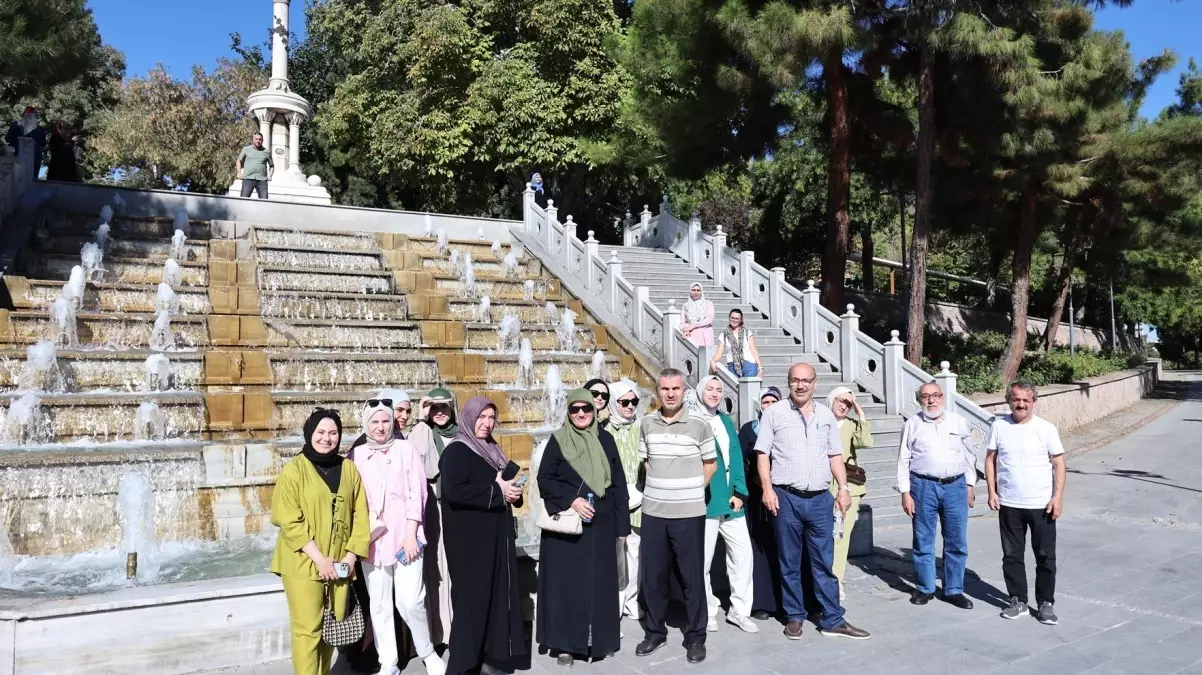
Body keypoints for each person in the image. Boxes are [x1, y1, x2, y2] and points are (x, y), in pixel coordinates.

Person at [754, 363, 870, 641]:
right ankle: (795, 616)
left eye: (806, 380)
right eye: (795, 380)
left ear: (815, 383)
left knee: (823, 562)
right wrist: (767, 490)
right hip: (786, 498)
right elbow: (762, 455)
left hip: (820, 498)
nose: (801, 385)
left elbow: (834, 456)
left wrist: (843, 489)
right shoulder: (774, 413)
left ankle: (832, 618)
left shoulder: (826, 416)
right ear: (788, 382)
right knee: (789, 560)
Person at [350, 400, 448, 675]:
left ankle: (427, 651)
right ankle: (388, 661)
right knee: (379, 603)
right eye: (374, 422)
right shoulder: (356, 456)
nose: (381, 427)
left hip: (406, 537)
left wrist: (410, 533)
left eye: (385, 421)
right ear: (366, 425)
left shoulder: (406, 449)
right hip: (372, 541)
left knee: (411, 599)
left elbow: (418, 492)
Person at [270, 409, 370, 675]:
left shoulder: (348, 469)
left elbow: (360, 514)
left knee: (331, 627)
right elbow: (288, 519)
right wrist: (319, 559)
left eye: (333, 433)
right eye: (321, 433)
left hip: (340, 564)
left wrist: (350, 557)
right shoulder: (294, 470)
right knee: (307, 631)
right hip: (303, 562)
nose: (327, 439)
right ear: (309, 434)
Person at [537, 388, 631, 668]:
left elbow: (618, 484)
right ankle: (565, 645)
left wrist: (622, 525)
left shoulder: (606, 440)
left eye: (586, 409)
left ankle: (600, 640)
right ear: (568, 411)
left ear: (594, 410)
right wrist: (573, 500)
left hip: (600, 527)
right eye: (575, 409)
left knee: (600, 584)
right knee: (567, 586)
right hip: (568, 529)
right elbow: (545, 479)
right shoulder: (558, 440)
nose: (581, 414)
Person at [440, 397, 527, 675]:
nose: (487, 424)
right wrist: (497, 492)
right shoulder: (457, 451)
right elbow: (454, 491)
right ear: (469, 417)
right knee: (471, 602)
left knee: (494, 597)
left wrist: (512, 493)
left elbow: (502, 487)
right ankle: (462, 665)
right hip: (469, 544)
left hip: (494, 539)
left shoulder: (491, 449)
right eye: (482, 417)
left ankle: (491, 657)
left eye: (491, 418)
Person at [635, 368, 717, 664]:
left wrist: (692, 489)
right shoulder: (646, 423)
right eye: (665, 389)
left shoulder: (699, 424)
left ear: (685, 391)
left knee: (692, 577)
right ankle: (654, 632)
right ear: (657, 392)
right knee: (653, 576)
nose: (670, 394)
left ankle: (696, 637)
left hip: (689, 512)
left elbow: (711, 463)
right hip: (654, 512)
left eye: (676, 389)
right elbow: (645, 462)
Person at [986, 381, 1066, 625]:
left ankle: (1045, 603)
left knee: (1045, 556)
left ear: (1034, 402)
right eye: (1016, 399)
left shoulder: (1046, 428)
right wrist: (992, 491)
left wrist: (1058, 497)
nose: (1021, 404)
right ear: (1009, 400)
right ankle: (1018, 600)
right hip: (1010, 504)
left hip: (1042, 504)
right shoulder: (999, 426)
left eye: (1026, 400)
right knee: (1011, 556)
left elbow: (1059, 464)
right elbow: (990, 460)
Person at [686, 376, 757, 634]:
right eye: (710, 389)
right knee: (702, 561)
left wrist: (740, 491)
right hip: (705, 501)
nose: (715, 394)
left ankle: (740, 610)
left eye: (719, 390)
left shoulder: (726, 420)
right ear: (700, 391)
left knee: (742, 555)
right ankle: (709, 608)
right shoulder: (691, 421)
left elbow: (736, 456)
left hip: (731, 501)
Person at [896, 382, 976, 610]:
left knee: (957, 541)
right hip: (922, 487)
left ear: (943, 397)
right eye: (925, 397)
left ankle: (954, 590)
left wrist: (970, 485)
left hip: (955, 487)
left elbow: (970, 456)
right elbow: (903, 459)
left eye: (935, 396)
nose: (931, 401)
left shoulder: (958, 422)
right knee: (923, 540)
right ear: (919, 400)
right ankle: (925, 588)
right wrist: (905, 492)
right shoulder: (913, 424)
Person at [409, 388, 458, 646]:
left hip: (461, 509)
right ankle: (441, 633)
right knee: (437, 570)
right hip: (435, 508)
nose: (439, 413)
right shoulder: (424, 432)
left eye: (444, 408)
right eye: (434, 408)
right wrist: (420, 418)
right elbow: (423, 466)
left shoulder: (462, 434)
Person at [737, 386, 783, 621]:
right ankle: (763, 602)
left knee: (783, 547)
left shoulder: (787, 427)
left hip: (783, 496)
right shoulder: (748, 429)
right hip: (755, 498)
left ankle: (786, 600)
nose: (769, 406)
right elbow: (740, 459)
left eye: (773, 401)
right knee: (759, 548)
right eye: (765, 402)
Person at [826, 387, 872, 601]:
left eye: (848, 403)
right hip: (823, 485)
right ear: (832, 400)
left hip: (849, 489)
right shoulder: (821, 420)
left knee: (841, 537)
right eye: (841, 400)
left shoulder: (852, 425)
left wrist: (860, 415)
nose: (844, 405)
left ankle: (837, 580)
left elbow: (865, 442)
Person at [607, 379, 644, 622]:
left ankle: (632, 601)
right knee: (616, 557)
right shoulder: (604, 431)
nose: (630, 406)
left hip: (641, 500)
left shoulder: (642, 427)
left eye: (634, 401)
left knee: (636, 554)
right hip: (614, 503)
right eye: (624, 402)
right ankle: (615, 605)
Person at [709, 309, 760, 378]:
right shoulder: (724, 334)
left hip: (749, 365)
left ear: (741, 320)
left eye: (737, 318)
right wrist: (712, 361)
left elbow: (753, 350)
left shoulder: (747, 333)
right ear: (729, 317)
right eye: (732, 318)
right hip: (732, 367)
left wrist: (760, 367)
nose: (734, 320)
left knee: (749, 388)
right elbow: (719, 353)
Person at [5, 106, 47, 170]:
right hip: (27, 155)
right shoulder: (39, 130)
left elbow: (8, 139)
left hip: (25, 154)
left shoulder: (39, 130)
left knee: (18, 170)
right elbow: (43, 144)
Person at [236, 131, 274, 199]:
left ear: (262, 140)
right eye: (256, 139)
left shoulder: (266, 152)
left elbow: (272, 166)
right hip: (248, 178)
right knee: (243, 200)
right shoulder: (246, 149)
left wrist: (270, 176)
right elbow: (239, 160)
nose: (258, 141)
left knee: (264, 201)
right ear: (252, 140)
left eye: (260, 139)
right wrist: (239, 173)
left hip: (262, 180)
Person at [680, 283, 714, 347]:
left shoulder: (708, 304)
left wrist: (694, 325)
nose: (696, 292)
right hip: (693, 334)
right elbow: (682, 322)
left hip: (706, 334)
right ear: (690, 292)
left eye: (698, 290)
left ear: (701, 292)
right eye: (693, 290)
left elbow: (709, 319)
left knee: (708, 355)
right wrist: (686, 330)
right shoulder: (686, 306)